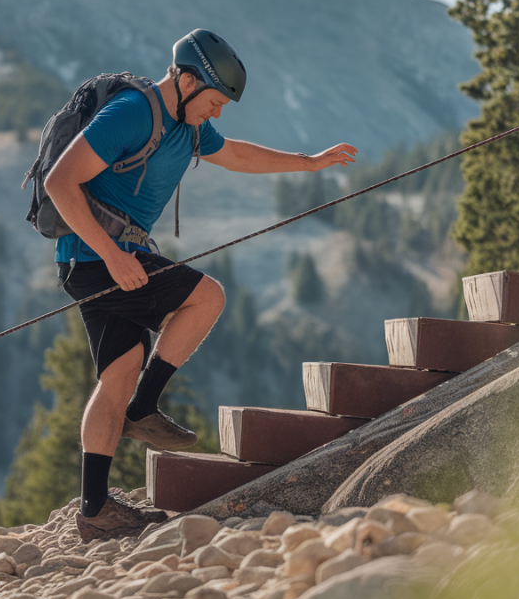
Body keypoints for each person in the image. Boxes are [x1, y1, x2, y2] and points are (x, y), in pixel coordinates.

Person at [44, 29, 358, 540]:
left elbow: (236, 155)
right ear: (185, 80)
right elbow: (60, 181)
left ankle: (95, 510)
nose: (215, 113)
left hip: (106, 257)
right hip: (98, 256)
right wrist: (112, 256)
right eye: (213, 101)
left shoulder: (188, 126)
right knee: (206, 297)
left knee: (117, 375)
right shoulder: (132, 113)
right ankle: (144, 410)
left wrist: (309, 163)